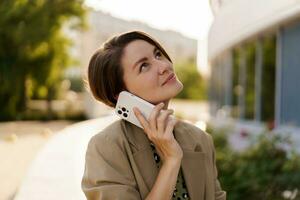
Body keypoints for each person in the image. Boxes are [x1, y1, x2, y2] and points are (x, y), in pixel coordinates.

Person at [82, 30, 226, 200]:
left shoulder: (200, 140)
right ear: (120, 94)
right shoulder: (106, 147)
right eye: (144, 66)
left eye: (158, 55)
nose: (164, 66)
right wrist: (172, 161)